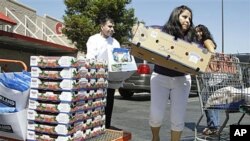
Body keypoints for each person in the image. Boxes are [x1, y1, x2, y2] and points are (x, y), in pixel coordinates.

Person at [149, 5, 196, 141]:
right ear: (176, 16)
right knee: (156, 115)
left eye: (190, 19)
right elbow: (146, 31)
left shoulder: (191, 36)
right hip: (160, 77)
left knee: (178, 117)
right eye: (184, 17)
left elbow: (205, 43)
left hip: (182, 80)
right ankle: (155, 138)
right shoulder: (163, 31)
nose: (187, 20)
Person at [86, 17, 121, 129]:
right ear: (102, 27)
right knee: (95, 104)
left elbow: (119, 60)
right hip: (96, 77)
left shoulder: (115, 42)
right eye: (109, 26)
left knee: (108, 104)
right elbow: (90, 58)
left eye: (113, 27)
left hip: (110, 78)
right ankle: (92, 127)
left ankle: (106, 127)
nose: (112, 29)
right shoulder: (93, 39)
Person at [195, 24, 219, 135]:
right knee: (212, 100)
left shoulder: (206, 41)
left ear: (205, 32)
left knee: (207, 100)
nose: (198, 33)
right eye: (197, 32)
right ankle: (214, 126)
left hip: (208, 74)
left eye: (200, 31)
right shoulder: (206, 41)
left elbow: (213, 54)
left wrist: (202, 61)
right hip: (210, 74)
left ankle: (213, 126)